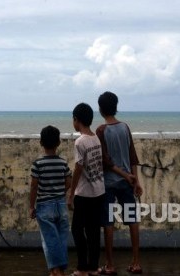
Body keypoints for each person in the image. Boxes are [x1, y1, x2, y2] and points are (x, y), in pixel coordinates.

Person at [96, 91, 143, 275]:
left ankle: (109, 265)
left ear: (100, 109)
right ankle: (136, 262)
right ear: (116, 107)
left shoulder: (101, 130)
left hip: (108, 184)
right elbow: (133, 157)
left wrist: (124, 175)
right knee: (132, 220)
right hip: (127, 182)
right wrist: (134, 179)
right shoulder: (125, 127)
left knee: (108, 223)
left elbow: (105, 162)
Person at [68, 103, 106, 276]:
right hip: (99, 191)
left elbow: (78, 168)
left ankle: (82, 267)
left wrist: (71, 194)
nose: (73, 123)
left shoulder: (80, 142)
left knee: (77, 229)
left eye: (73, 119)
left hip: (84, 193)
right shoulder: (95, 138)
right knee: (93, 230)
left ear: (77, 120)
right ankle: (93, 267)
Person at [30, 125, 72, 276]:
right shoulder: (63, 162)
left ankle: (56, 271)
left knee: (50, 241)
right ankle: (57, 270)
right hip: (60, 205)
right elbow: (69, 182)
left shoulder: (37, 164)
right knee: (60, 240)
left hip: (44, 205)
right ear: (59, 143)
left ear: (41, 143)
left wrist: (31, 206)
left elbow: (34, 187)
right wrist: (61, 192)